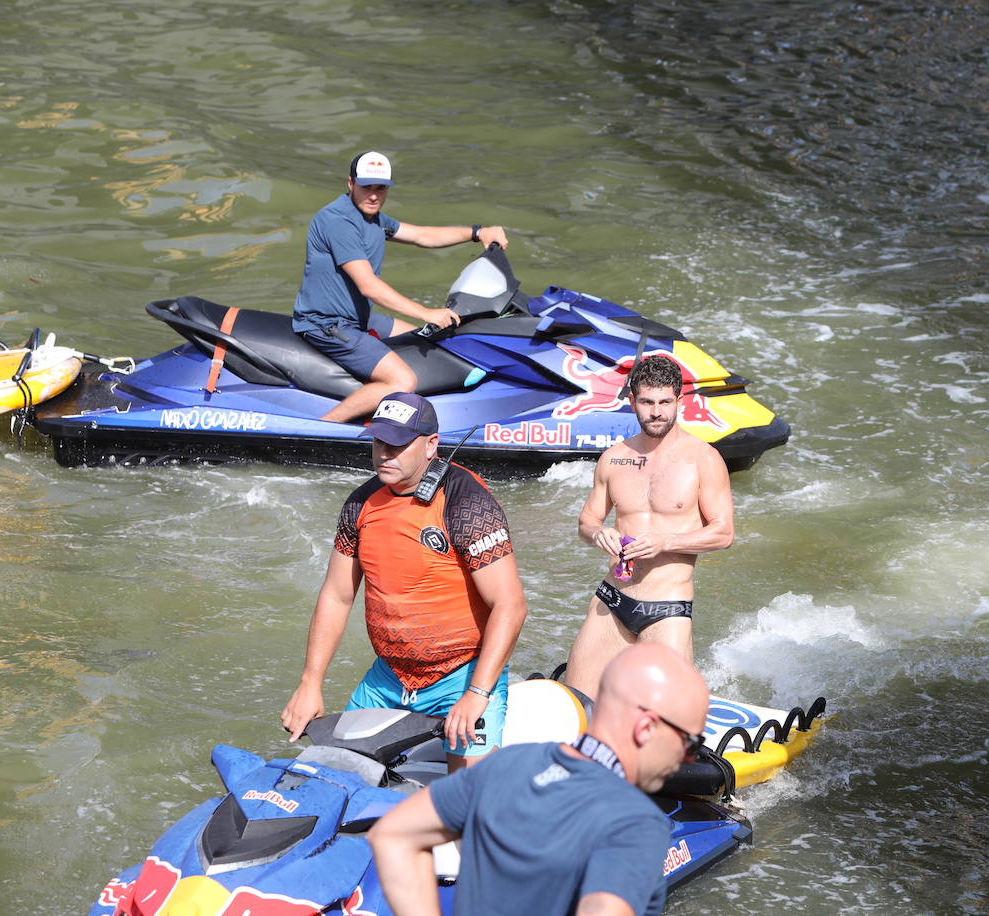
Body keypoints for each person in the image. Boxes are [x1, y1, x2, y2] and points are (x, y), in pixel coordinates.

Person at [280, 392, 527, 771]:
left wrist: (477, 693)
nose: (384, 454)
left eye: (397, 444)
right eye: (379, 442)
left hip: (461, 674)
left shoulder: (466, 501)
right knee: (327, 776)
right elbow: (336, 595)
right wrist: (310, 682)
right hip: (389, 677)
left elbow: (510, 605)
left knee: (469, 800)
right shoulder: (360, 504)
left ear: (431, 445)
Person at [367, 642, 709, 916]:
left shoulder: (508, 764)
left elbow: (394, 835)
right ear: (646, 727)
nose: (689, 758)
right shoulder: (635, 822)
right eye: (690, 742)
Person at [562, 353, 734, 699]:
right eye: (647, 402)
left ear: (678, 402)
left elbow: (723, 533)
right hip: (612, 598)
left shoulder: (703, 459)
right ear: (632, 401)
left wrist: (666, 541)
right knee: (577, 703)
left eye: (665, 402)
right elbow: (587, 521)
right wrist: (599, 533)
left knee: (663, 716)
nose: (656, 412)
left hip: (667, 606)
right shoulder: (614, 458)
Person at [292, 150, 509, 423]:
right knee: (403, 379)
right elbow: (368, 286)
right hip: (327, 325)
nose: (373, 195)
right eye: (366, 187)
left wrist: (477, 233)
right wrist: (425, 312)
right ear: (350, 184)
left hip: (357, 318)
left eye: (380, 188)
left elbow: (422, 235)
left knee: (430, 343)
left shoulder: (374, 220)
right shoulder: (339, 221)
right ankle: (322, 429)